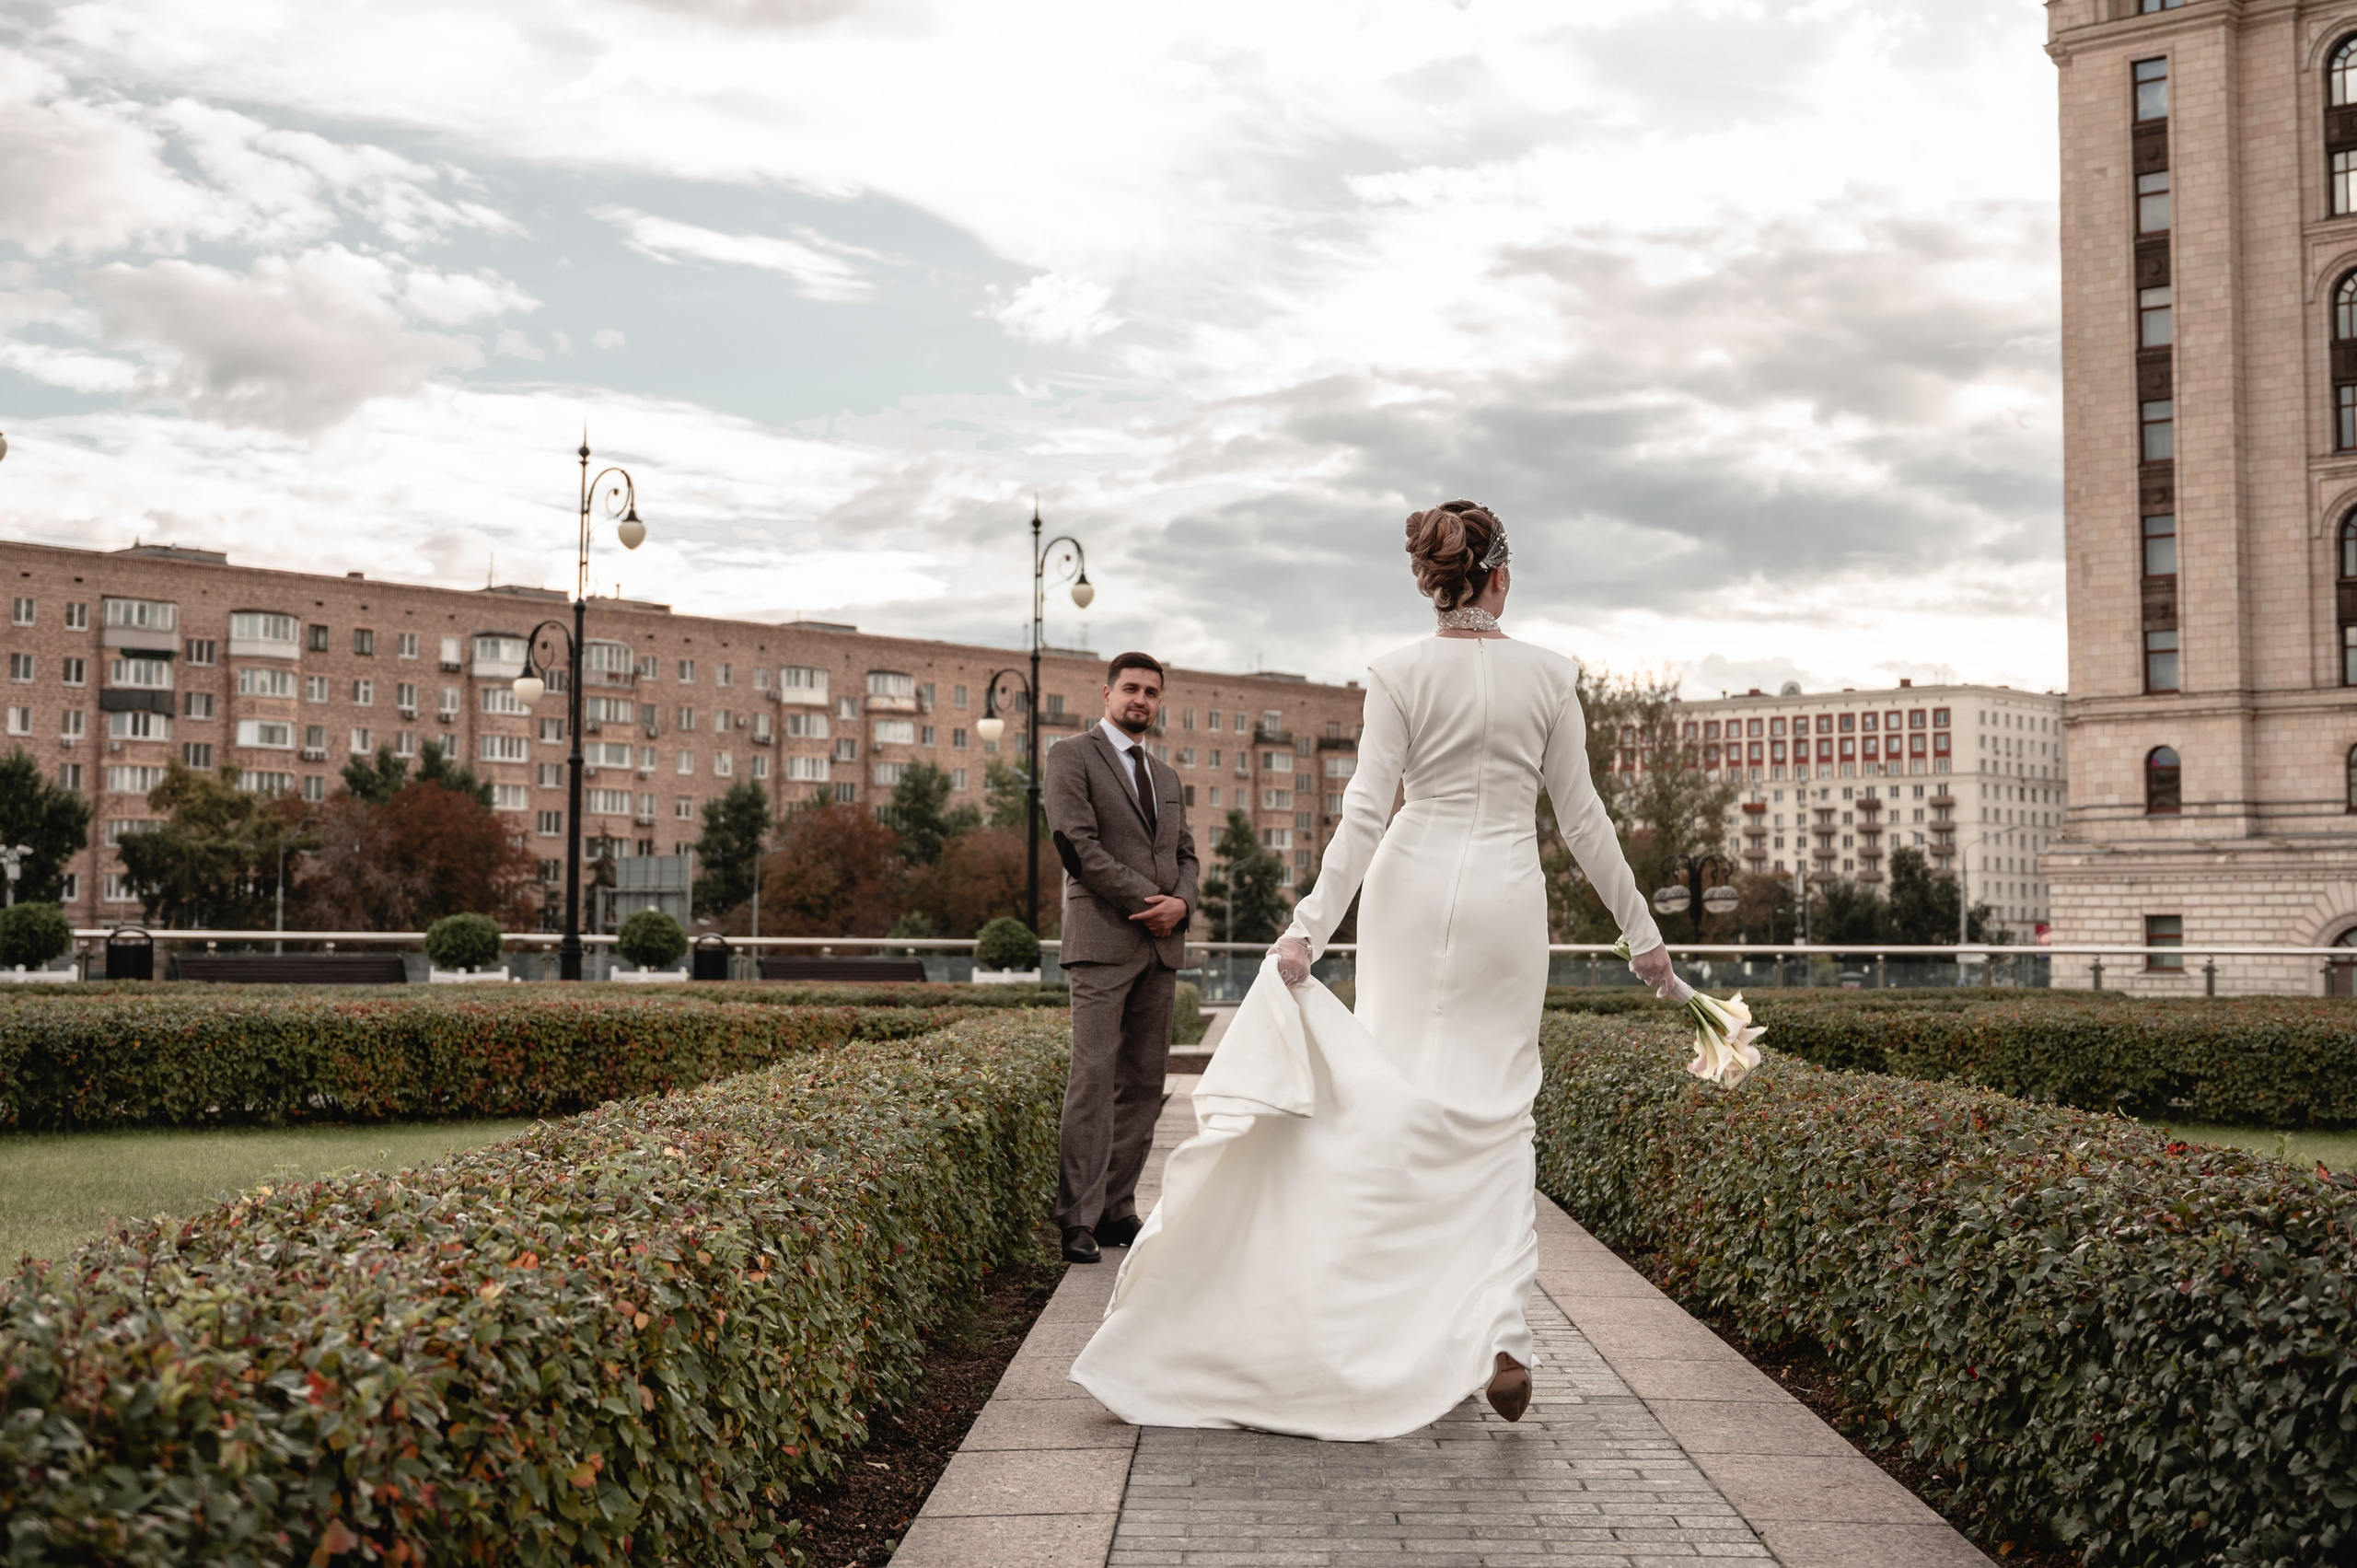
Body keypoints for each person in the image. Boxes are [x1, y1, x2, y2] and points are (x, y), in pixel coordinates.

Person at [1069, 500, 1672, 1441]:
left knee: (1395, 1101)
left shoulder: (1396, 672)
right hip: (1506, 901)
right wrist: (1642, 931)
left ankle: (1375, 1314)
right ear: (1500, 575)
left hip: (1406, 891)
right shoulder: (1552, 674)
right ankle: (1500, 1328)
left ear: (1435, 580)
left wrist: (1306, 928)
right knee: (1498, 1111)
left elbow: (1362, 814)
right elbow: (1583, 818)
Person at [1042, 651, 1199, 1265]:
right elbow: (1075, 846)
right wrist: (1150, 903)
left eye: (1151, 692)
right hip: (1103, 942)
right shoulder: (1071, 756)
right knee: (1092, 1078)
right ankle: (1077, 1218)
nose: (1141, 699)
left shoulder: (1167, 776)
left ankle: (1115, 1208)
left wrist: (1182, 904)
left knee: (1143, 1082)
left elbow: (1186, 854)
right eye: (1131, 688)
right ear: (1106, 693)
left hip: (1161, 947)